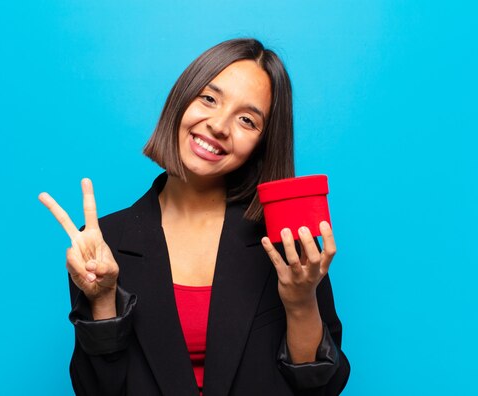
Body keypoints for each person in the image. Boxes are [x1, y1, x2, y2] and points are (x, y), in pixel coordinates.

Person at [39, 38, 350, 395]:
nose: (219, 125)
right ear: (182, 98)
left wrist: (300, 302)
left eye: (247, 120)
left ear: (262, 145)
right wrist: (104, 300)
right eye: (209, 99)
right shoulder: (103, 244)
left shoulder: (285, 242)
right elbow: (98, 390)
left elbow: (319, 389)